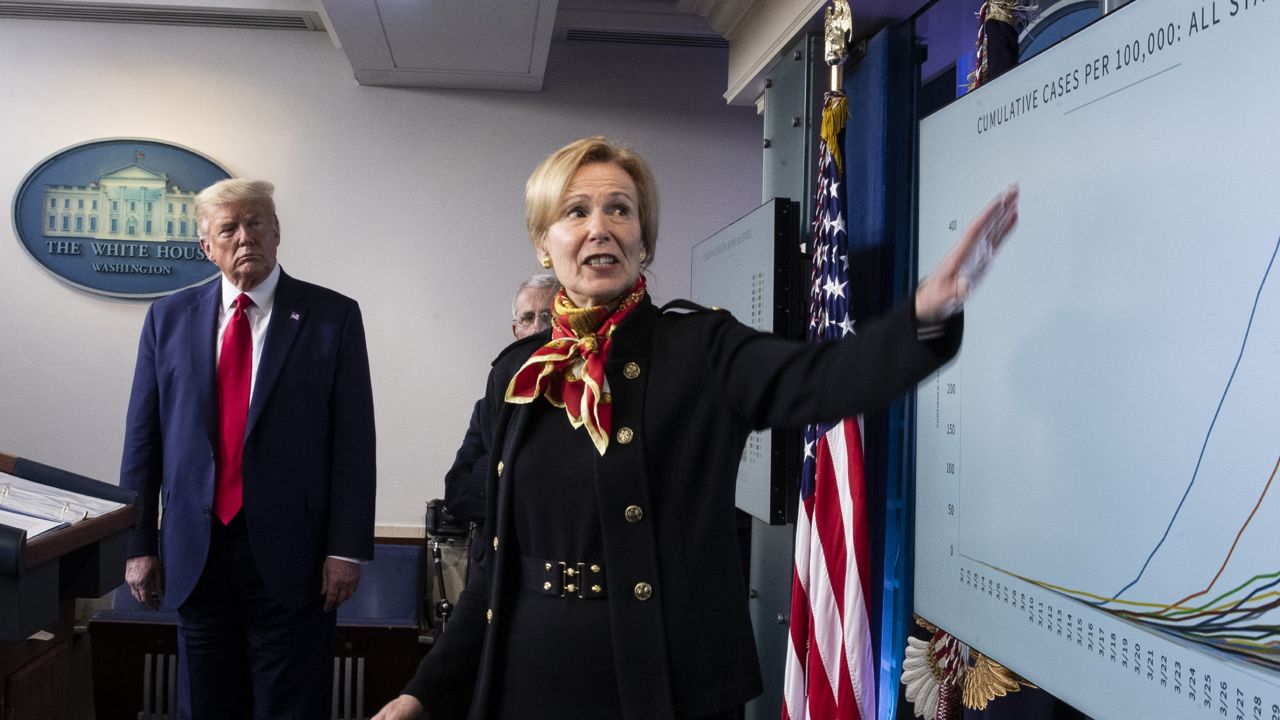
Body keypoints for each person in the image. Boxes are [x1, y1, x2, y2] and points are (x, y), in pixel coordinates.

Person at [373, 137, 1018, 720]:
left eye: (620, 210)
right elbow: (494, 561)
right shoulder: (516, 375)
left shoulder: (699, 346)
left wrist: (923, 319)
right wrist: (422, 691)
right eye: (576, 212)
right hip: (524, 680)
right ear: (545, 242)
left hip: (659, 681)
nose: (601, 227)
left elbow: (822, 378)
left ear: (644, 238)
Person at [120, 178, 376, 719]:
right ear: (206, 247)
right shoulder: (167, 319)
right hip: (197, 553)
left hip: (297, 559)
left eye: (256, 223)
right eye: (228, 228)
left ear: (277, 232)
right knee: (207, 705)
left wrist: (346, 549)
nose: (245, 237)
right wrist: (139, 543)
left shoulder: (333, 317)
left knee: (290, 707)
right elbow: (144, 439)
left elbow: (354, 442)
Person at [443, 274, 559, 531]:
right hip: (493, 561)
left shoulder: (584, 399)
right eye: (528, 318)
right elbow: (457, 493)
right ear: (516, 331)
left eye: (548, 316)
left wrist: (494, 466)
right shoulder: (487, 407)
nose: (538, 327)